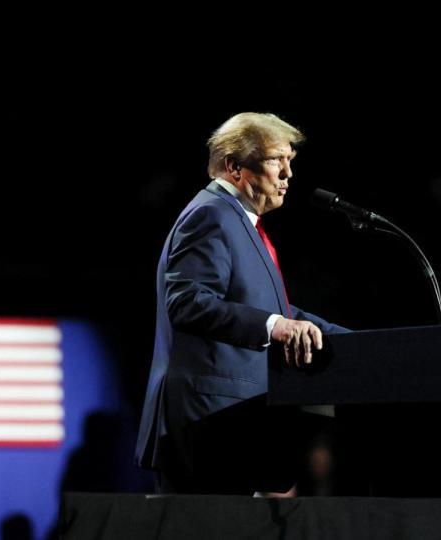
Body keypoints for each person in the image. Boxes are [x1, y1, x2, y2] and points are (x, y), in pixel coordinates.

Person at [134, 112, 347, 496]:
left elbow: (274, 309)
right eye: (275, 160)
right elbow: (187, 302)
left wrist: (352, 342)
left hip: (231, 428)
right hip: (205, 423)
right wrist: (276, 327)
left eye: (290, 162)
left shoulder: (238, 221)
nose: (288, 174)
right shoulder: (211, 215)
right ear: (235, 167)